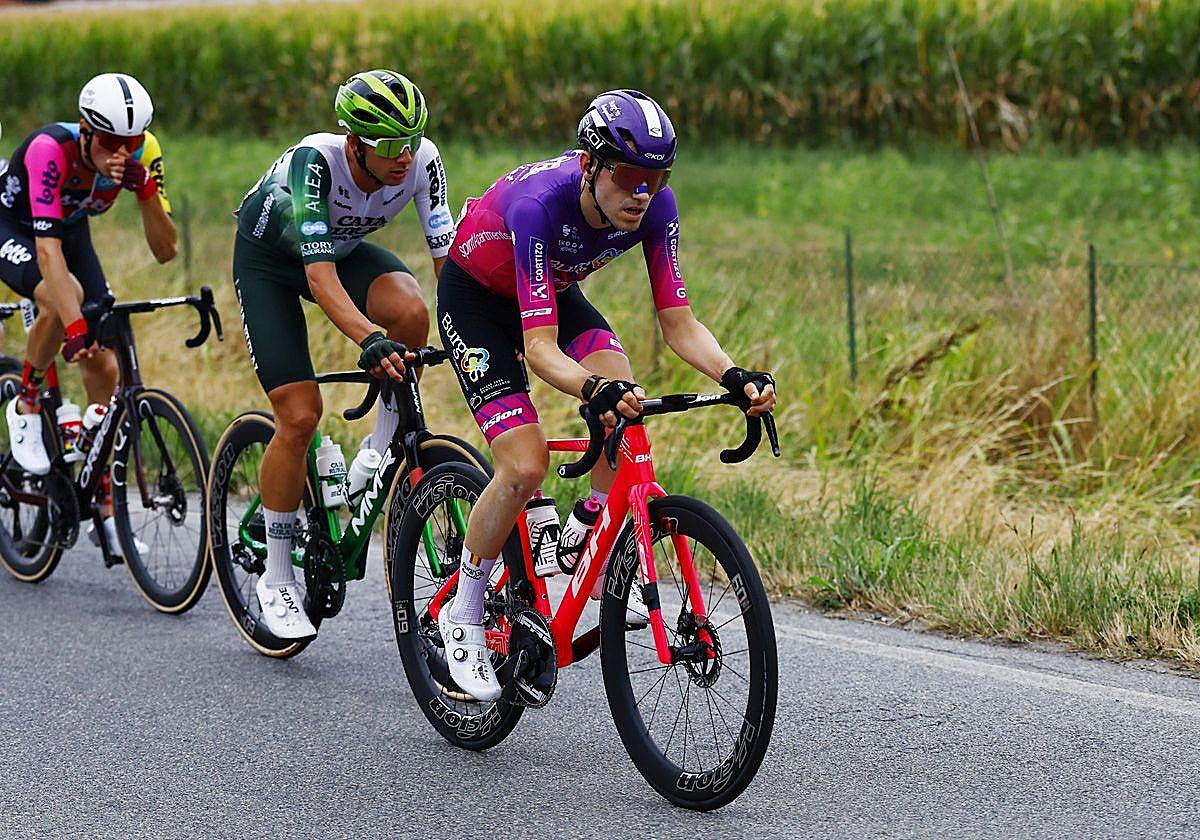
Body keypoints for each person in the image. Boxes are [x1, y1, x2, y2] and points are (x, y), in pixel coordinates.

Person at [436, 89, 777, 700]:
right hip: (477, 300)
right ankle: (463, 611)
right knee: (524, 464)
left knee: (626, 395)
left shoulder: (655, 208)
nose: (642, 193)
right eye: (628, 176)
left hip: (550, 289)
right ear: (590, 165)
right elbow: (540, 349)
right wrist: (592, 388)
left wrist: (734, 375)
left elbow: (679, 324)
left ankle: (587, 532)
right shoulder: (540, 206)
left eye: (656, 177)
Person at [232, 69, 452, 640]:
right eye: (390, 146)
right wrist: (368, 338)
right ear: (355, 143)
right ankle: (277, 574)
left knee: (411, 312)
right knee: (300, 415)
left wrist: (476, 331)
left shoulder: (422, 161)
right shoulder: (316, 162)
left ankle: (375, 454)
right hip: (270, 264)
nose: (405, 156)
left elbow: (446, 261)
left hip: (340, 250)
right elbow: (320, 278)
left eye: (412, 140)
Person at [0, 72, 175, 553]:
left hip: (72, 231)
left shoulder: (144, 153)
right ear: (85, 131)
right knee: (63, 300)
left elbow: (166, 251)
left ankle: (101, 498)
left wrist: (145, 191)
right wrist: (74, 324)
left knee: (106, 364)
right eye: (111, 142)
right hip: (15, 229)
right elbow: (47, 253)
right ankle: (27, 402)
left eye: (131, 142)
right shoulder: (48, 151)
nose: (122, 152)